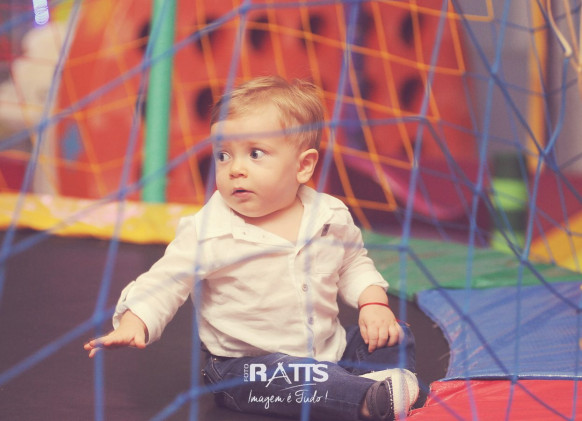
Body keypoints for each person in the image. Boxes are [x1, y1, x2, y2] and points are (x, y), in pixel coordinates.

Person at [84, 76, 419, 420]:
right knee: (291, 376)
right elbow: (166, 281)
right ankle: (366, 398)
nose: (236, 169)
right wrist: (135, 321)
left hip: (329, 350)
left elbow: (353, 263)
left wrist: (372, 303)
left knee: (395, 334)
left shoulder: (329, 215)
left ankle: (384, 384)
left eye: (255, 154)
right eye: (223, 156)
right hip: (246, 369)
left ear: (303, 166)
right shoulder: (209, 231)